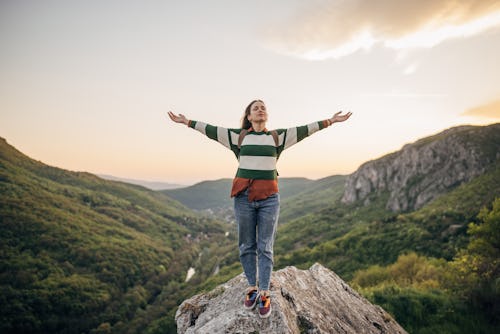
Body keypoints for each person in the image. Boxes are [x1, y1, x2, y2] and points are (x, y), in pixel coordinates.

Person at [168, 100, 352, 318]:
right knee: (247, 244)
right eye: (255, 108)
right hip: (243, 197)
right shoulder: (239, 137)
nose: (260, 109)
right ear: (249, 116)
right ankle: (252, 287)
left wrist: (330, 121)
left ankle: (264, 291)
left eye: (263, 107)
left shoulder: (277, 137)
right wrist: (187, 122)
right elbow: (211, 131)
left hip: (269, 199)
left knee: (265, 246)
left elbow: (305, 130)